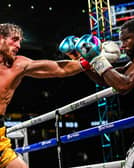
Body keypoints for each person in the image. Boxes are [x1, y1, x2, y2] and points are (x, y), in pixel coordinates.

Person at [0, 23, 93, 168]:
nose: (18, 45)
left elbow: (59, 69)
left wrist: (89, 60)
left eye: (20, 41)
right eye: (14, 39)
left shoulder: (19, 65)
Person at [77, 19, 134, 167]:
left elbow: (123, 85)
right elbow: (107, 80)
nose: (123, 45)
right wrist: (86, 61)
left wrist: (97, 57)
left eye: (126, 39)